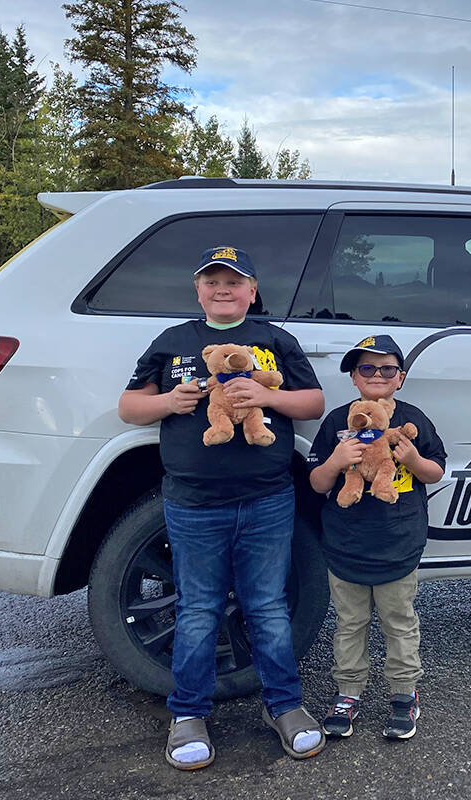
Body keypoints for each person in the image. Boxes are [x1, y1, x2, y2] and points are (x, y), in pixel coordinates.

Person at [118, 245, 327, 769]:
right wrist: (168, 403)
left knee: (268, 608)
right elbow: (128, 407)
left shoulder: (274, 341)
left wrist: (266, 397)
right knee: (198, 609)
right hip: (193, 504)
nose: (222, 289)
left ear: (252, 291)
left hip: (268, 500)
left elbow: (313, 402)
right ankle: (187, 714)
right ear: (198, 291)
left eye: (233, 282)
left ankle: (285, 706)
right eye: (211, 281)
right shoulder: (174, 342)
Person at [307, 334, 447, 740]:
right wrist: (336, 461)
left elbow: (436, 472)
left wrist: (413, 459)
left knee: (398, 622)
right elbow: (316, 484)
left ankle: (404, 695)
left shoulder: (412, 421)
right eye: (366, 368)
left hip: (398, 542)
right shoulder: (337, 422)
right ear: (353, 377)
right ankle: (348, 693)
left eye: (387, 368)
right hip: (345, 543)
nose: (377, 375)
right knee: (350, 623)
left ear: (400, 377)